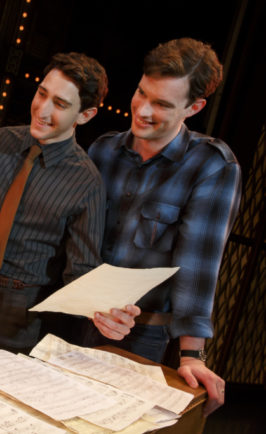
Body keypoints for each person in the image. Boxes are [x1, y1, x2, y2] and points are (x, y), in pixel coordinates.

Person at [0, 52, 140, 359]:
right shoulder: (1, 141)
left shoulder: (87, 182)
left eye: (60, 104)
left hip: (15, 316)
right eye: (42, 93)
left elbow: (82, 270)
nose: (42, 109)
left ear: (85, 115)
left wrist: (104, 311)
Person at [87, 38, 242, 416]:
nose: (142, 109)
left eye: (162, 104)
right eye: (142, 93)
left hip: (141, 337)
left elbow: (197, 266)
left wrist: (193, 355)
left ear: (194, 107)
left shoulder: (213, 166)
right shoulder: (102, 151)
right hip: (78, 319)